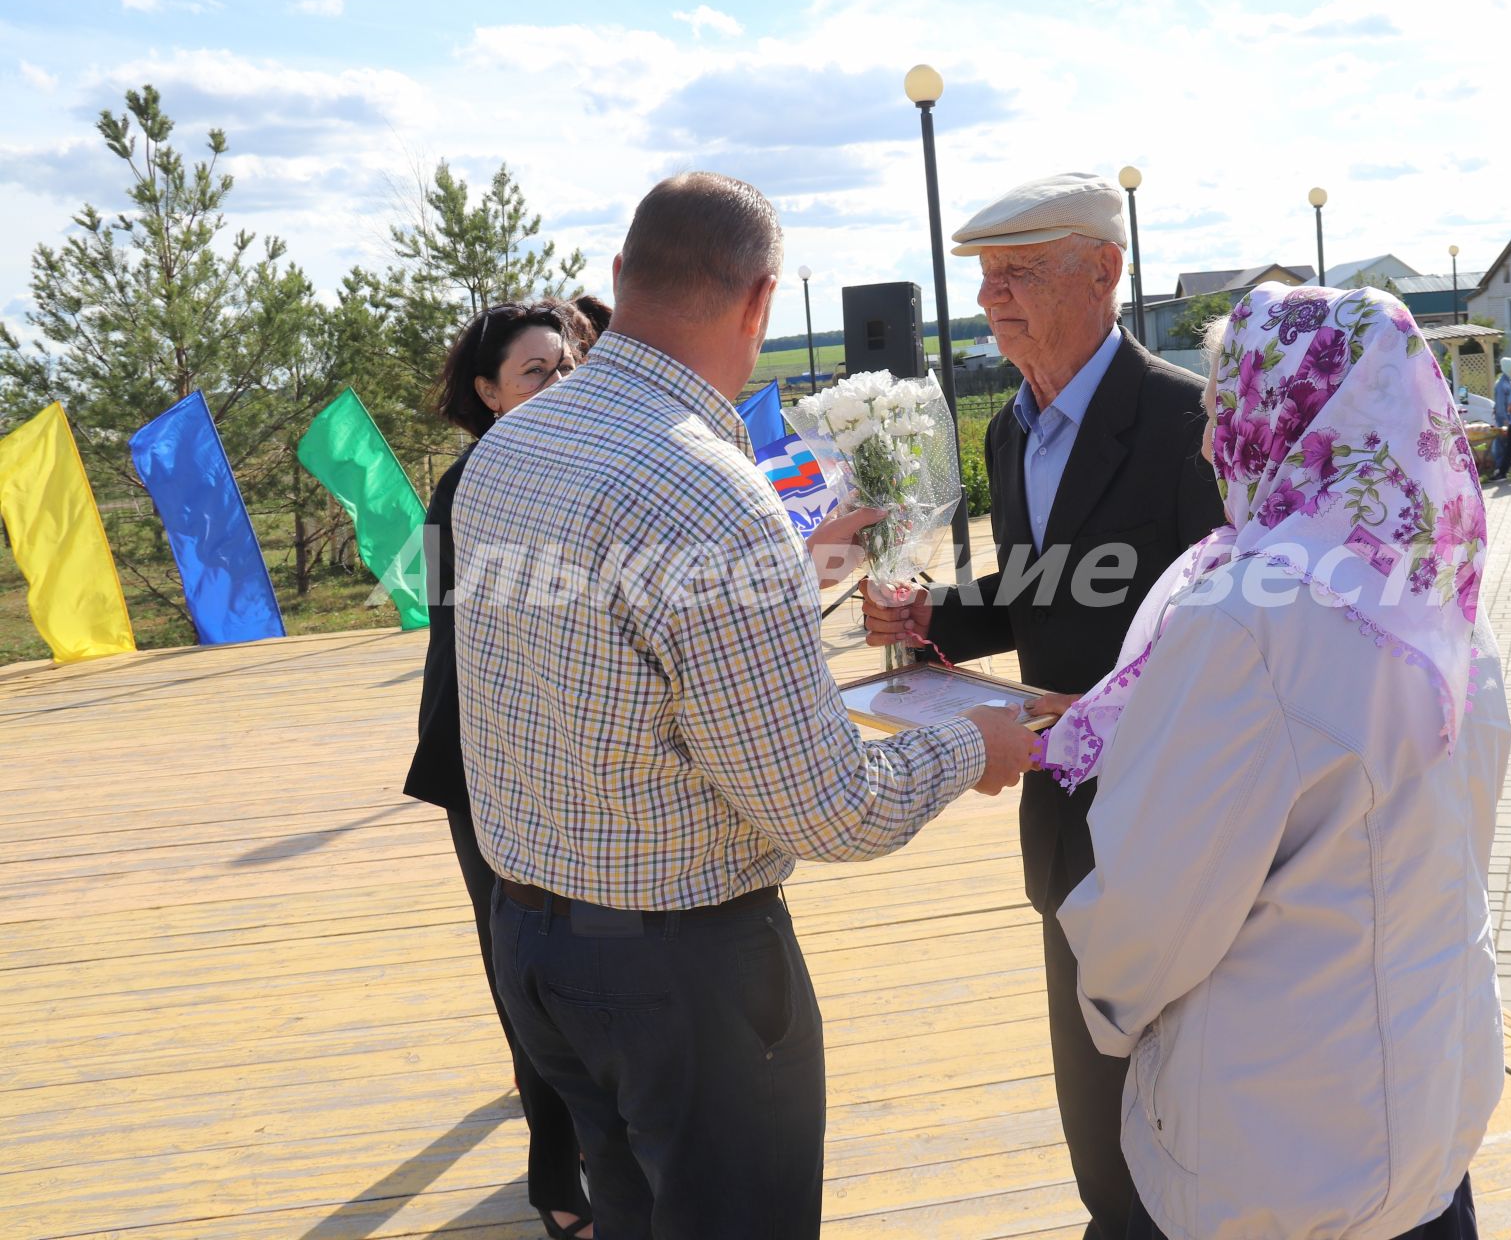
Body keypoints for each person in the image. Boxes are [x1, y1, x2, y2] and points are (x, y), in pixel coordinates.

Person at [454, 173, 1038, 1239]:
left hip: (533, 940)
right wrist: (973, 742)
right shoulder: (712, 492)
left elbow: (617, 637)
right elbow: (831, 809)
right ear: (761, 303)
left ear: (621, 276)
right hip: (683, 979)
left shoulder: (511, 448)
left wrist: (796, 569)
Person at [1048, 282, 1509, 1240]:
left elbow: (1151, 909)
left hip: (1280, 1148)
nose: (1214, 438)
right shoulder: (1431, 596)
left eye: (1225, 406)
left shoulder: (1247, 616)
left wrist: (1107, 1007)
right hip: (1427, 1114)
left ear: (1283, 412)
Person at [860, 171, 1223, 1239]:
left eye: (1018, 272)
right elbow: (1047, 585)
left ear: (1106, 270)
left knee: (1192, 1074)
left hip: (1181, 813)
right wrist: (935, 617)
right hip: (1063, 819)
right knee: (1089, 1091)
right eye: (985, 277)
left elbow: (1233, 625)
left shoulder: (1188, 420)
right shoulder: (1010, 432)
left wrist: (1106, 705)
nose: (992, 298)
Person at [403, 301, 593, 1240]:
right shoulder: (474, 487)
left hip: (552, 759)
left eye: (570, 365)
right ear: (486, 393)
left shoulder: (563, 472)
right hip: (485, 764)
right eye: (536, 373)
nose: (562, 382)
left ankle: (596, 1150)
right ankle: (560, 1179)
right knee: (529, 974)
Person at [1491, 357, 1511, 474]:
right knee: (1501, 443)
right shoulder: (1501, 384)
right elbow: (1500, 405)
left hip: (1509, 418)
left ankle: (1506, 466)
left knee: (1507, 443)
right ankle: (1500, 468)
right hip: (1503, 420)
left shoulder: (1508, 382)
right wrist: (1505, 420)